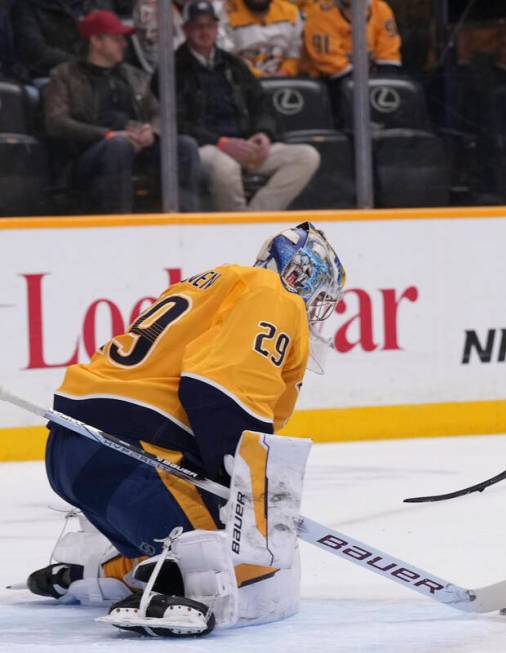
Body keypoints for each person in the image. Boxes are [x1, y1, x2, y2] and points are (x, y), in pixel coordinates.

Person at [23, 222, 345, 637]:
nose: (316, 311)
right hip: (136, 457)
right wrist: (239, 481)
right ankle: (171, 587)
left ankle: (99, 571)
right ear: (301, 276)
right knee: (247, 564)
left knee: (186, 538)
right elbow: (220, 389)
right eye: (319, 298)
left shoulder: (213, 285)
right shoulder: (273, 294)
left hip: (74, 450)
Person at [44, 9, 201, 213]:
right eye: (116, 38)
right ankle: (119, 224)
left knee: (184, 146)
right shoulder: (64, 75)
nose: (124, 44)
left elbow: (160, 112)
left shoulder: (133, 75)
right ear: (96, 41)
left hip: (136, 146)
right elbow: (56, 122)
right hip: (88, 154)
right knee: (118, 145)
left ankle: (184, 223)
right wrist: (106, 134)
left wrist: (152, 132)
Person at [168, 1, 319, 212]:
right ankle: (237, 224)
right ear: (186, 30)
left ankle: (254, 218)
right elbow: (177, 122)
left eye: (209, 25)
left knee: (306, 156)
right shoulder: (173, 68)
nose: (204, 32)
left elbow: (262, 104)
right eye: (197, 26)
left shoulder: (233, 63)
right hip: (206, 146)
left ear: (217, 27)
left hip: (244, 143)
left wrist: (262, 133)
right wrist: (221, 143)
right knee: (225, 168)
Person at [10, 0, 129, 80]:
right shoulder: (27, 6)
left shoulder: (97, 3)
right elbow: (34, 51)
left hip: (103, 74)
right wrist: (84, 65)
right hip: (50, 76)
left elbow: (115, 40)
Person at [301, 0, 401, 79]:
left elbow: (388, 56)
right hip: (330, 85)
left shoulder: (380, 9)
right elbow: (330, 64)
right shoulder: (319, 13)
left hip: (373, 79)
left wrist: (382, 84)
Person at [223, 0, 303, 77]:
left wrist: (284, 72)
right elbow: (226, 57)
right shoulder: (226, 13)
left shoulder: (290, 12)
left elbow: (295, 54)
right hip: (241, 82)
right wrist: (259, 76)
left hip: (283, 82)